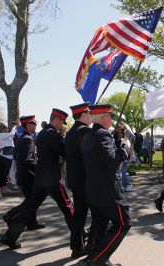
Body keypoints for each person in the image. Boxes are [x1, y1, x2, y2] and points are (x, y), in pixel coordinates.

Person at [0, 108, 73, 250]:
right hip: (51, 177)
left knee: (30, 208)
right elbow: (63, 151)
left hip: (41, 178)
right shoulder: (52, 134)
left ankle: (10, 236)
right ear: (56, 119)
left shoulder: (43, 133)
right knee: (67, 205)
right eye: (62, 122)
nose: (62, 125)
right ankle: (78, 233)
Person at [81, 104, 130, 265]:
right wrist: (124, 148)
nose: (111, 120)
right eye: (110, 116)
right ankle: (97, 260)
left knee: (100, 225)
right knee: (123, 223)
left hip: (94, 190)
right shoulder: (102, 135)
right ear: (104, 118)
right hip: (108, 191)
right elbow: (112, 161)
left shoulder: (90, 134)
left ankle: (94, 255)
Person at [2, 116, 45, 231]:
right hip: (28, 176)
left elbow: (17, 156)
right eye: (34, 124)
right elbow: (28, 160)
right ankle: (10, 216)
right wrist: (39, 167)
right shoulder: (27, 139)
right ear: (28, 125)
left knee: (30, 200)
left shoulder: (22, 137)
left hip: (24, 175)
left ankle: (32, 223)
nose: (36, 126)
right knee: (31, 202)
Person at [65, 103, 93, 259]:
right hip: (85, 179)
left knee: (79, 215)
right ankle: (92, 247)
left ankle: (77, 247)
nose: (91, 116)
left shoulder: (71, 132)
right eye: (89, 113)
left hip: (76, 178)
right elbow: (89, 155)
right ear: (83, 115)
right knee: (96, 213)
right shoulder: (83, 131)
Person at [0, 122, 17, 199]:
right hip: (3, 156)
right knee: (1, 173)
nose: (6, 128)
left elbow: (12, 138)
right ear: (1, 128)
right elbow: (12, 134)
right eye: (5, 127)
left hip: (10, 156)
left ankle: (4, 188)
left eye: (6, 127)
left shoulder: (5, 135)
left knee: (5, 173)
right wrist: (14, 127)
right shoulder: (0, 135)